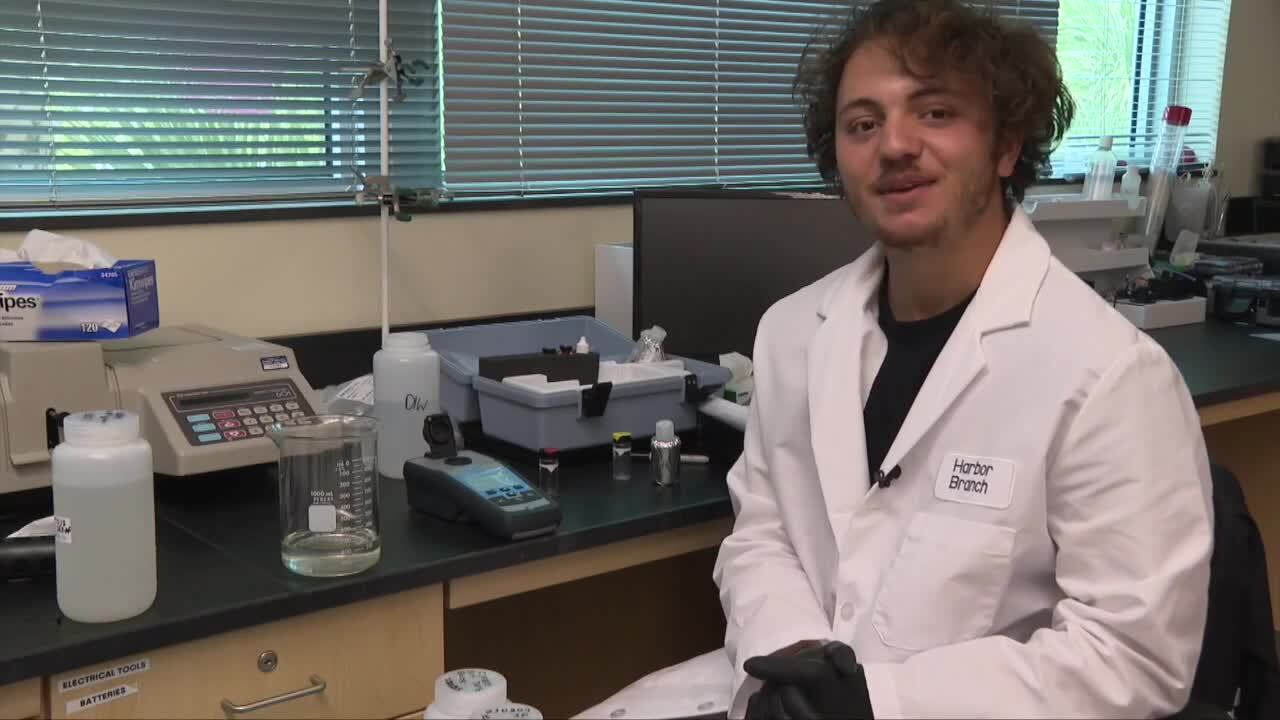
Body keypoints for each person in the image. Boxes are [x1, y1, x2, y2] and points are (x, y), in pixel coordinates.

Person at [712, 0, 1215, 718]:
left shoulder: (1108, 375)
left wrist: (877, 702)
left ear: (1007, 145)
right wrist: (793, 669)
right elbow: (762, 533)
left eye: (936, 112)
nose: (894, 146)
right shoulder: (791, 333)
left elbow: (1133, 655)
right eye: (862, 124)